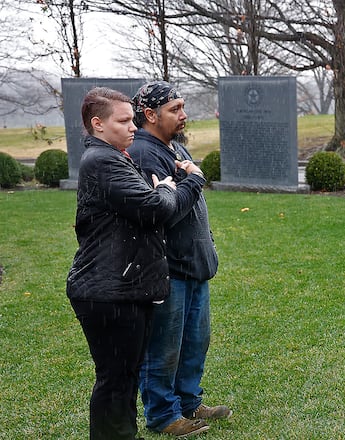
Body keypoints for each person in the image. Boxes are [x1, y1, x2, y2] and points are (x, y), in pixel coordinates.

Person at [66, 87, 206, 439]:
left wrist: (166, 190)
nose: (133, 127)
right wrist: (175, 187)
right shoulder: (104, 161)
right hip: (109, 288)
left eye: (132, 119)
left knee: (122, 378)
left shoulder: (116, 156)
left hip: (122, 284)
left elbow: (150, 204)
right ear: (98, 124)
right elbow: (156, 208)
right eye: (125, 120)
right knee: (116, 380)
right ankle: (146, 422)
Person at [127, 81, 230, 437]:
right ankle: (162, 414)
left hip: (195, 266)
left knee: (194, 342)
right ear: (150, 114)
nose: (184, 115)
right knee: (163, 349)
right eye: (175, 109)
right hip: (168, 270)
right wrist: (195, 180)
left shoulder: (174, 147)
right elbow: (164, 213)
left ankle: (189, 402)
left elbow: (192, 205)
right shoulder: (144, 154)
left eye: (183, 107)